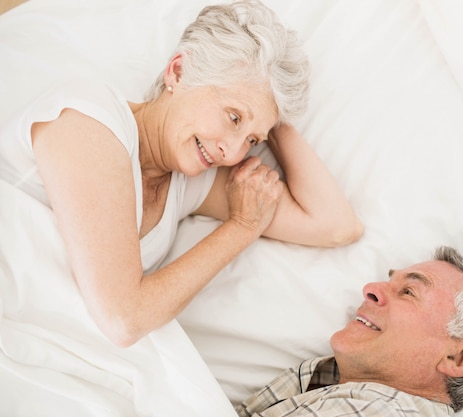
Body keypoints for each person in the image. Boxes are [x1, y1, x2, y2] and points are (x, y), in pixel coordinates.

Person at [0, 0, 362, 347]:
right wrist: (241, 228)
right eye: (233, 116)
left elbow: (336, 226)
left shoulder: (191, 182)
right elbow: (124, 320)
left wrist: (272, 114)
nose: (233, 152)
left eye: (252, 140)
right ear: (178, 71)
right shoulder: (90, 120)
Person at [236, 246, 463, 416]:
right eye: (389, 281)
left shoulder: (381, 411)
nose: (370, 289)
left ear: (459, 358)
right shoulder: (331, 380)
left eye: (408, 292)